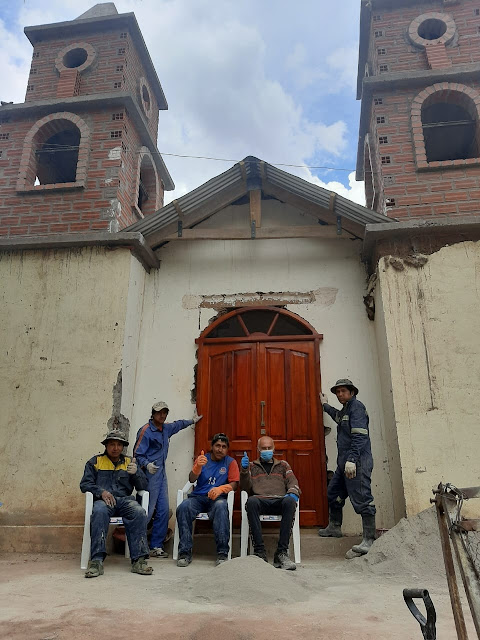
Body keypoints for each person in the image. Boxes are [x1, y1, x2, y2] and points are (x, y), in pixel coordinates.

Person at [80, 430, 153, 578]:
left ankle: (139, 560)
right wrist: (101, 492)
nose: (115, 448)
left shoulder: (130, 462)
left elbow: (142, 487)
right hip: (103, 501)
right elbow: (85, 484)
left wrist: (137, 472)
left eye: (119, 445)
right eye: (112, 444)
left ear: (123, 447)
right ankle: (97, 561)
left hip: (124, 501)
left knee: (139, 512)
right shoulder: (95, 462)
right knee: (99, 512)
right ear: (106, 446)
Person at [134, 401, 202, 558]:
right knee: (147, 510)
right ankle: (138, 545)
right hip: (148, 474)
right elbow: (137, 454)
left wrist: (192, 421)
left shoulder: (166, 428)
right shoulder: (146, 430)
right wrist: (147, 464)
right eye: (159, 413)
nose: (162, 415)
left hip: (161, 474)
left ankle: (156, 546)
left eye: (165, 412)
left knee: (164, 510)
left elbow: (178, 425)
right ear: (153, 414)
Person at [318, 378, 376, 558]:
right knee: (333, 493)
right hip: (345, 463)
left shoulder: (356, 407)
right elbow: (337, 417)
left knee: (362, 499)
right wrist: (325, 405)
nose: (339, 394)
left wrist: (352, 460)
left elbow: (360, 437)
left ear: (352, 392)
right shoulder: (346, 409)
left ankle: (369, 539)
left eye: (343, 391)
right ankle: (335, 527)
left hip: (356, 462)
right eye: (337, 392)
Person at [176, 432, 239, 567]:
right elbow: (192, 479)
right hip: (198, 498)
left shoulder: (230, 462)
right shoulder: (203, 459)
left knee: (222, 507)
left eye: (223, 446)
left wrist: (221, 489)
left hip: (218, 499)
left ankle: (222, 554)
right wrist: (197, 467)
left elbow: (235, 484)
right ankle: (184, 553)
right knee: (183, 507)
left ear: (227, 449)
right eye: (217, 445)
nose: (220, 449)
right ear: (212, 446)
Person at [240, 436, 300, 571]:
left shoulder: (283, 465)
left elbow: (293, 482)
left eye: (269, 448)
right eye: (263, 448)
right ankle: (259, 552)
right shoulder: (251, 466)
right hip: (260, 500)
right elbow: (245, 488)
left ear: (274, 449)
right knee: (251, 501)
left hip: (280, 500)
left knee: (290, 501)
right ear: (258, 449)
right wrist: (244, 472)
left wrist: (292, 492)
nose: (266, 450)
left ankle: (281, 553)